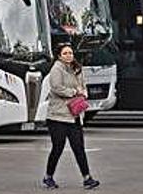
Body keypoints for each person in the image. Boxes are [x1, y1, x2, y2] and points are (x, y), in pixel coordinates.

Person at [42, 43, 100, 190]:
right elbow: (56, 88)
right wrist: (74, 92)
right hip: (58, 117)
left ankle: (87, 178)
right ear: (59, 56)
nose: (69, 55)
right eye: (65, 53)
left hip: (74, 115)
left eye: (70, 53)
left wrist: (84, 92)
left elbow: (83, 86)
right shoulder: (56, 68)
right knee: (58, 148)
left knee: (79, 148)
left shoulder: (77, 68)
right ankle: (48, 176)